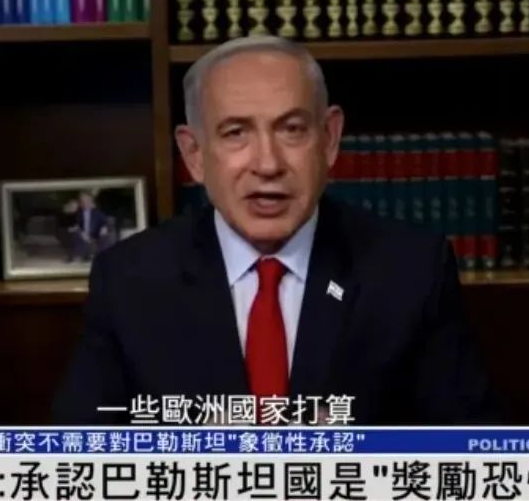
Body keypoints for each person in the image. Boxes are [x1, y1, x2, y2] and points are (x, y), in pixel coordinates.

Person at [53, 36, 500, 425]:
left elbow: (474, 452)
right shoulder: (128, 280)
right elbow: (79, 455)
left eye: (291, 129)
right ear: (194, 154)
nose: (267, 164)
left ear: (329, 139)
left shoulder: (411, 271)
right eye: (235, 133)